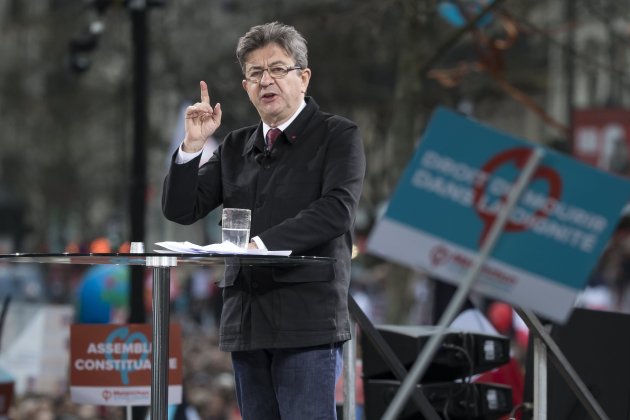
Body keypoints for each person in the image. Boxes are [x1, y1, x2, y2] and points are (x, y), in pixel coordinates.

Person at [162, 21, 366, 420]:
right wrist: (192, 146)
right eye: (255, 73)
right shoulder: (237, 146)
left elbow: (336, 210)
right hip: (247, 322)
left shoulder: (337, 135)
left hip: (307, 322)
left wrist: (261, 245)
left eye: (277, 69)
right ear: (245, 87)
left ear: (303, 77)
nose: (265, 80)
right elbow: (180, 209)